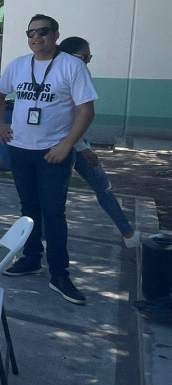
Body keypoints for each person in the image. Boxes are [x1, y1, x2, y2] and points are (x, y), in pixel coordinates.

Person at [0, 14, 98, 305]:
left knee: (54, 213)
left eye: (43, 31)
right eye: (31, 32)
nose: (36, 37)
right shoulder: (17, 65)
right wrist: (1, 124)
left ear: (55, 35)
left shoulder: (72, 66)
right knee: (29, 209)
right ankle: (31, 258)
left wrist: (67, 145)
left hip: (54, 153)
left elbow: (86, 111)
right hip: (21, 150)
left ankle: (60, 274)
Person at [58, 36, 138, 247]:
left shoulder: (78, 72)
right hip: (66, 145)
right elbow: (68, 118)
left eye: (89, 58)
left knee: (102, 187)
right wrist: (83, 149)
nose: (87, 62)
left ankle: (128, 232)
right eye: (85, 57)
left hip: (75, 142)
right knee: (58, 198)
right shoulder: (63, 74)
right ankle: (128, 233)